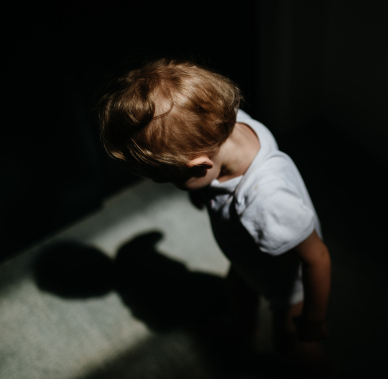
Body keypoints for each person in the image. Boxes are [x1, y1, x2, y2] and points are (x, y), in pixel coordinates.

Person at [97, 57, 336, 378]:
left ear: (199, 167)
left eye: (173, 180)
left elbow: (317, 257)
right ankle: (244, 329)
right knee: (237, 289)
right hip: (248, 257)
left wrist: (314, 319)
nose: (175, 187)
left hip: (286, 281)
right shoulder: (223, 125)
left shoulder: (267, 200)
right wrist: (200, 191)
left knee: (291, 344)